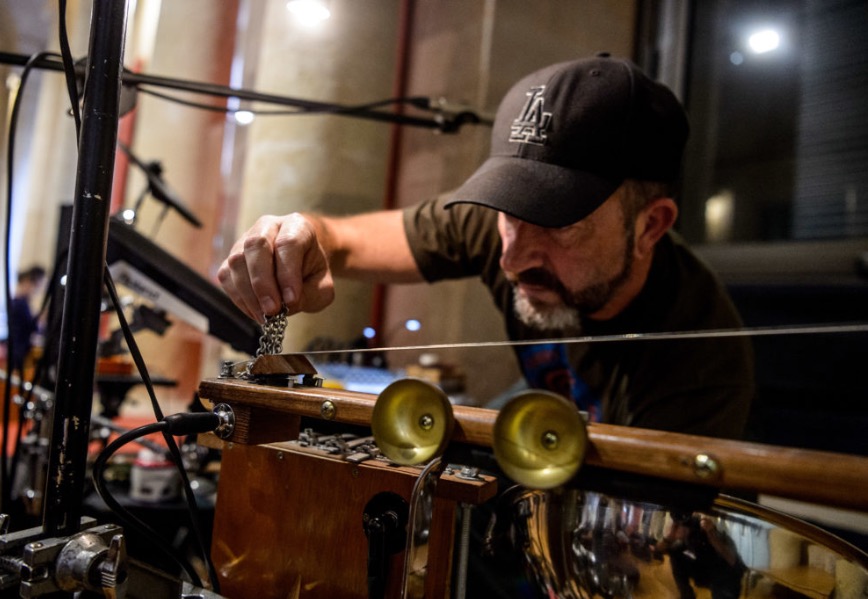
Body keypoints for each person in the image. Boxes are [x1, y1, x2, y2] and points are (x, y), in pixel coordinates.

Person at [218, 54, 755, 440]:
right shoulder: (505, 231)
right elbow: (345, 243)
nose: (512, 257)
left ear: (650, 227)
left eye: (559, 222)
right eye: (507, 213)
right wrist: (299, 235)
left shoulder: (702, 364)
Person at [8, 265, 46, 375]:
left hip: (19, 346)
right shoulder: (20, 303)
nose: (35, 290)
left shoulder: (21, 302)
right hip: (18, 348)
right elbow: (30, 326)